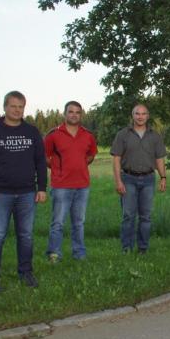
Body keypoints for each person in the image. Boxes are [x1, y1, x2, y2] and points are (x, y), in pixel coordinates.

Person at [0, 91, 47, 293]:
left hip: (26, 193)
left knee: (26, 235)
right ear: (5, 107)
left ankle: (26, 273)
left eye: (21, 107)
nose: (17, 110)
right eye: (13, 106)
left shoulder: (31, 132)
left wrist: (41, 187)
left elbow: (40, 162)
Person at [44, 101, 98, 262]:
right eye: (71, 111)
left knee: (79, 223)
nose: (74, 115)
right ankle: (54, 254)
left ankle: (79, 254)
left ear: (81, 115)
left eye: (77, 112)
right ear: (65, 113)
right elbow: (46, 158)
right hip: (61, 186)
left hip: (82, 185)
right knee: (58, 222)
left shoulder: (87, 135)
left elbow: (91, 155)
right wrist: (59, 169)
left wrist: (79, 165)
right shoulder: (54, 134)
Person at [110, 103, 167, 254]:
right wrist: (118, 181)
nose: (140, 117)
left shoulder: (155, 136)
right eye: (137, 114)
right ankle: (126, 248)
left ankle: (143, 248)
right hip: (128, 178)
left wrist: (163, 177)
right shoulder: (122, 134)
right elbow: (116, 159)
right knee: (128, 216)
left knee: (146, 217)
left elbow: (160, 159)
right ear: (132, 116)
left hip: (148, 179)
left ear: (147, 116)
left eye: (143, 114)